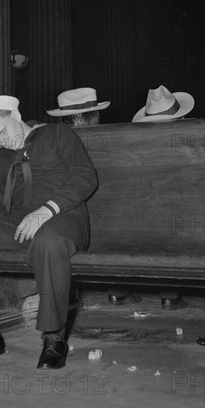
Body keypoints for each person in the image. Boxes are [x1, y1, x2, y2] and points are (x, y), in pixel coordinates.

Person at [0, 94, 98, 369]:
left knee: (48, 241)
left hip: (63, 217)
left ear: (15, 114)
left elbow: (85, 176)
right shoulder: (3, 155)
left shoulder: (57, 133)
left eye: (3, 131)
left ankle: (54, 336)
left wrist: (46, 210)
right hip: (20, 223)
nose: (4, 140)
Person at [132, 85, 205, 312]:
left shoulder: (141, 144)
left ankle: (169, 296)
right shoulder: (196, 139)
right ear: (182, 116)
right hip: (194, 217)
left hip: (155, 217)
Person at [47, 87, 142, 306]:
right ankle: (117, 288)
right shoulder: (110, 139)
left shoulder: (53, 142)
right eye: (96, 114)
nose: (99, 118)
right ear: (81, 117)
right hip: (114, 218)